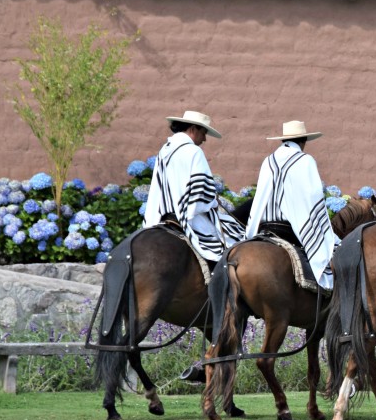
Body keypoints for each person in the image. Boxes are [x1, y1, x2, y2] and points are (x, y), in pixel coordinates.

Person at [143, 110, 245, 265]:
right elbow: (201, 195)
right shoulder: (193, 151)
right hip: (188, 218)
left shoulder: (165, 149)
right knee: (233, 242)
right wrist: (213, 202)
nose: (204, 139)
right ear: (192, 129)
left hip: (161, 216)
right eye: (203, 133)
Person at [244, 120, 337, 290]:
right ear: (303, 141)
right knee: (332, 256)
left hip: (262, 227)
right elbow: (313, 199)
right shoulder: (305, 160)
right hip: (290, 230)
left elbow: (260, 197)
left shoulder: (268, 161)